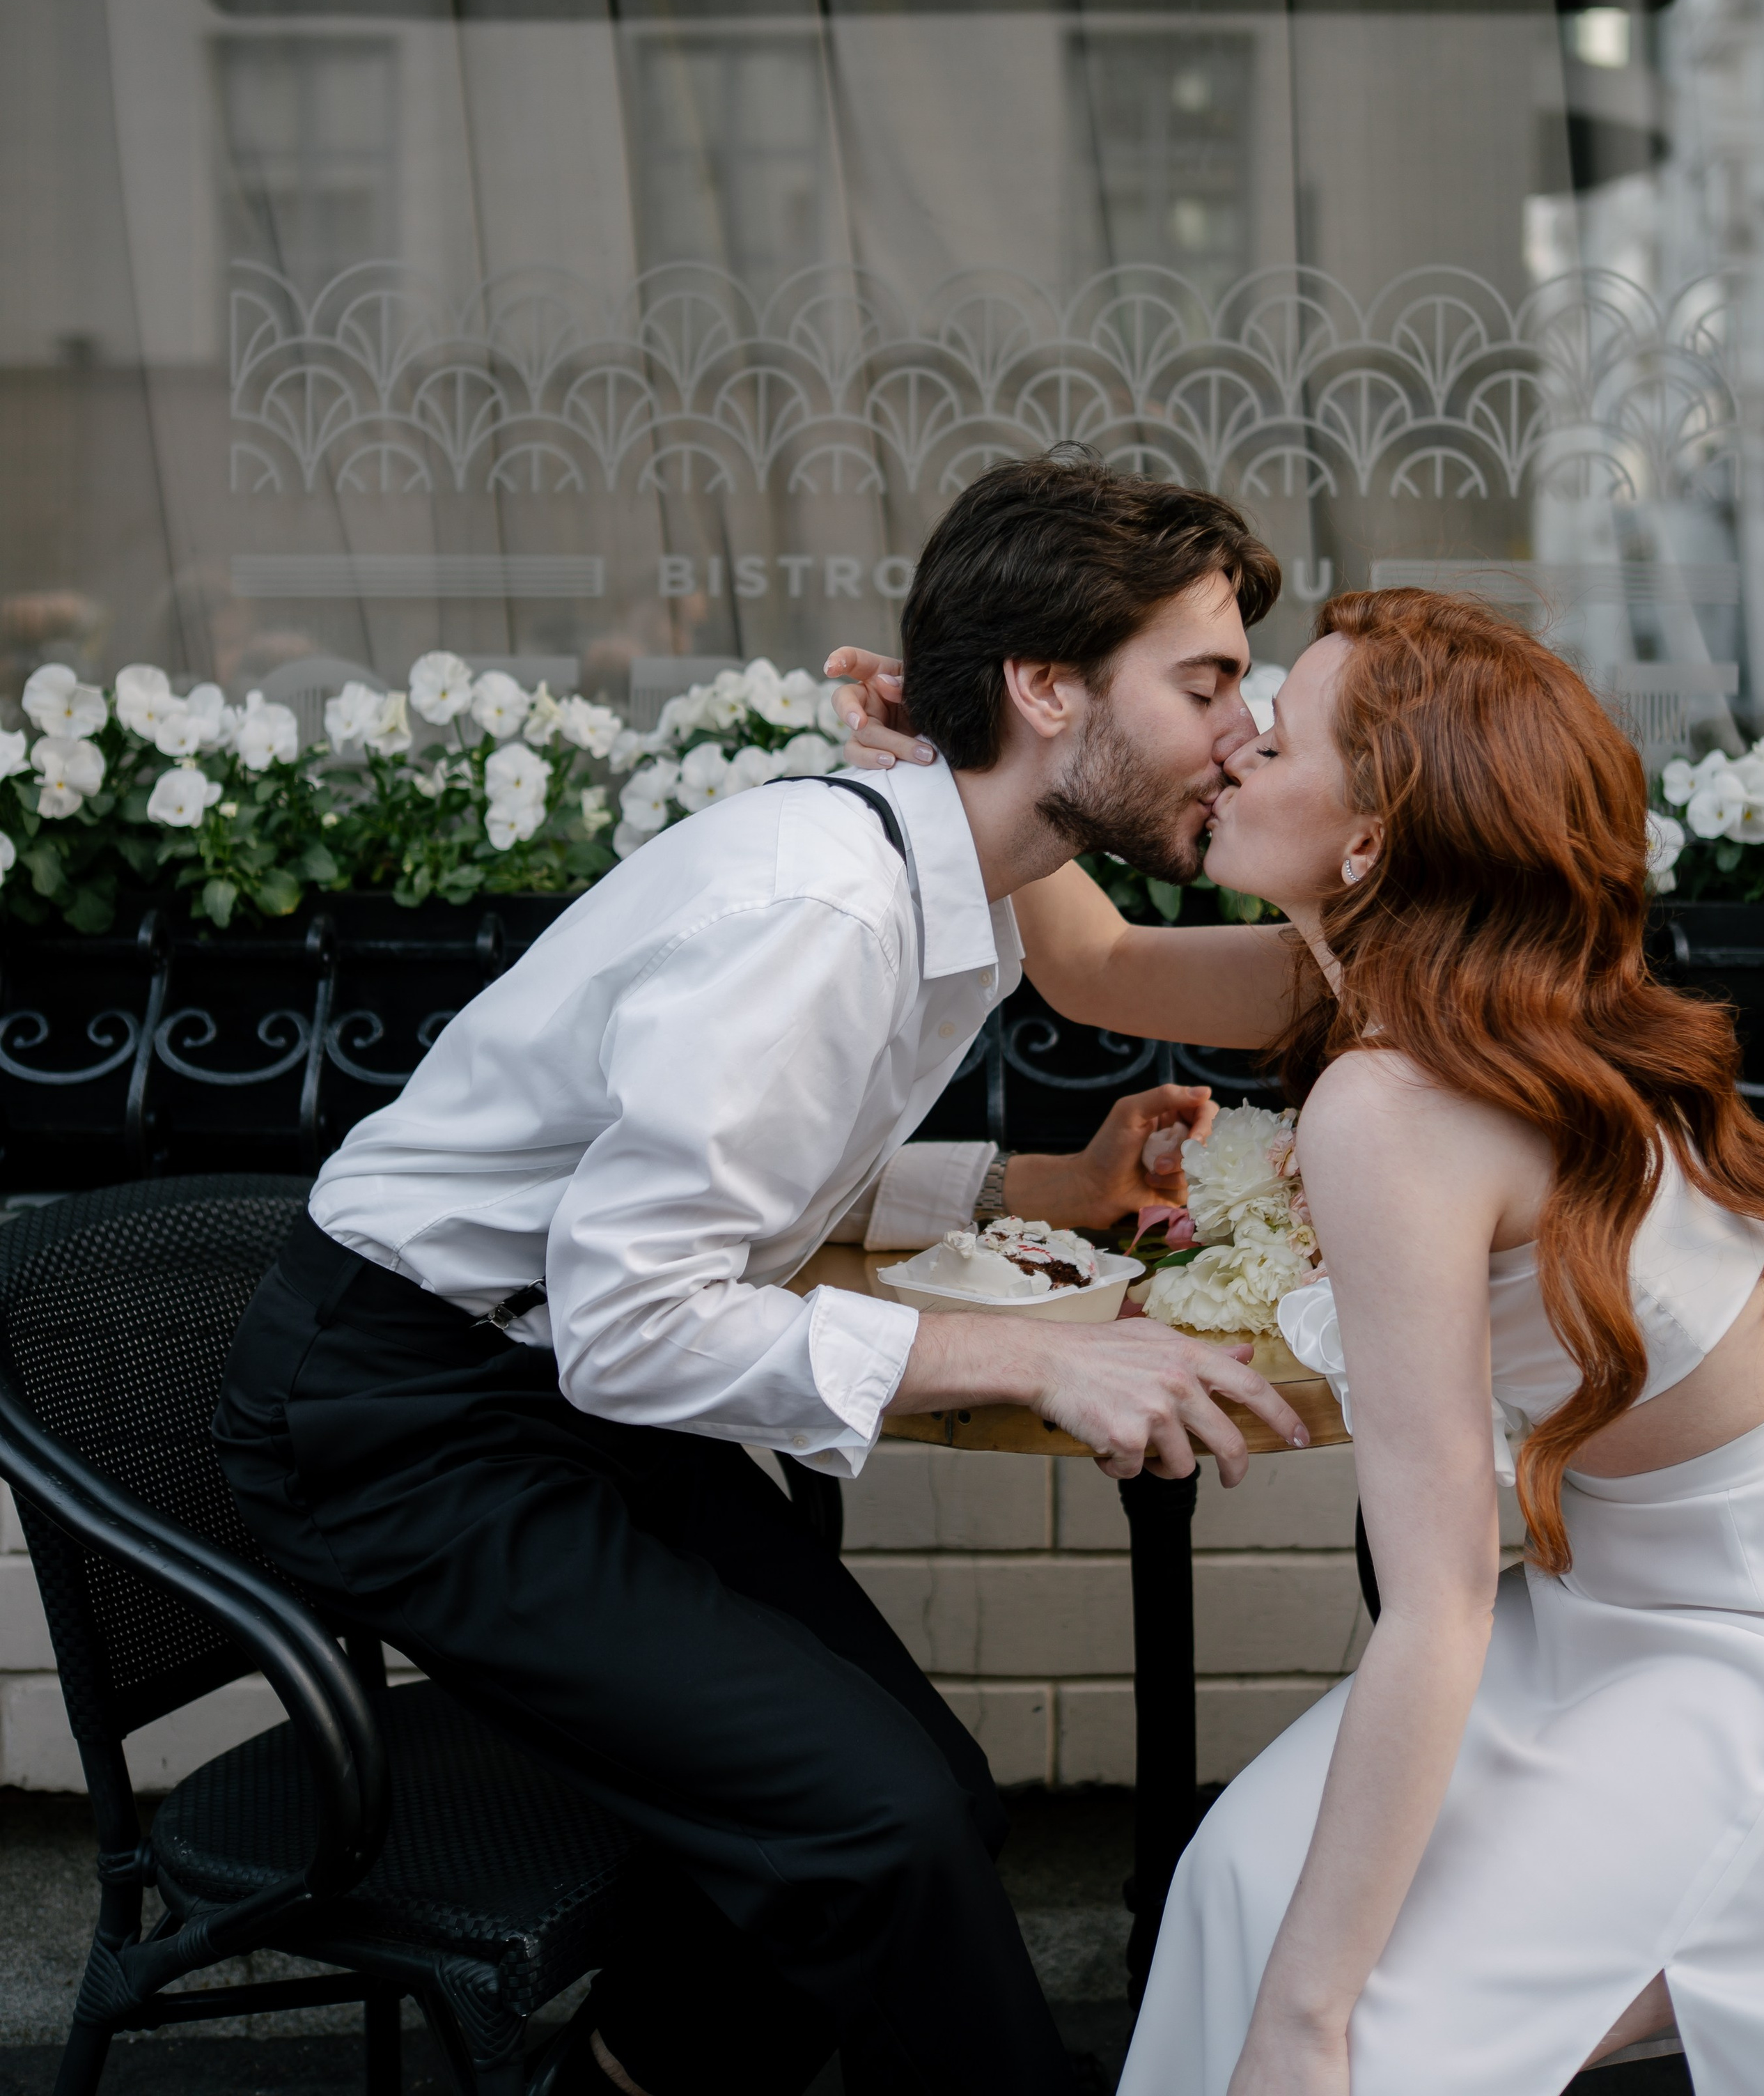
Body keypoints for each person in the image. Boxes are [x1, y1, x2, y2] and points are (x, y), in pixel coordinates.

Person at [212, 452, 1309, 2096]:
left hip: (548, 1387)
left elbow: (750, 1176)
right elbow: (633, 1322)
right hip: (399, 1425)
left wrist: (1039, 1185)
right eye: (1206, 684)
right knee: (885, 1824)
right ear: (1043, 687)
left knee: (927, 1800)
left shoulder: (940, 885)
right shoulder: (824, 908)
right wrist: (1040, 1358)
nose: (1242, 730)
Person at [852, 587, 1764, 2095]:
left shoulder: (1396, 1102)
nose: (1230, 747)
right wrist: (974, 747)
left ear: (1368, 842)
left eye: (1275, 740)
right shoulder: (1414, 987)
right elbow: (1097, 967)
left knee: (1372, 2038)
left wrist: (1306, 2025)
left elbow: (1436, 1603)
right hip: (1599, 1595)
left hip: (1742, 1641)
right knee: (1234, 1883)